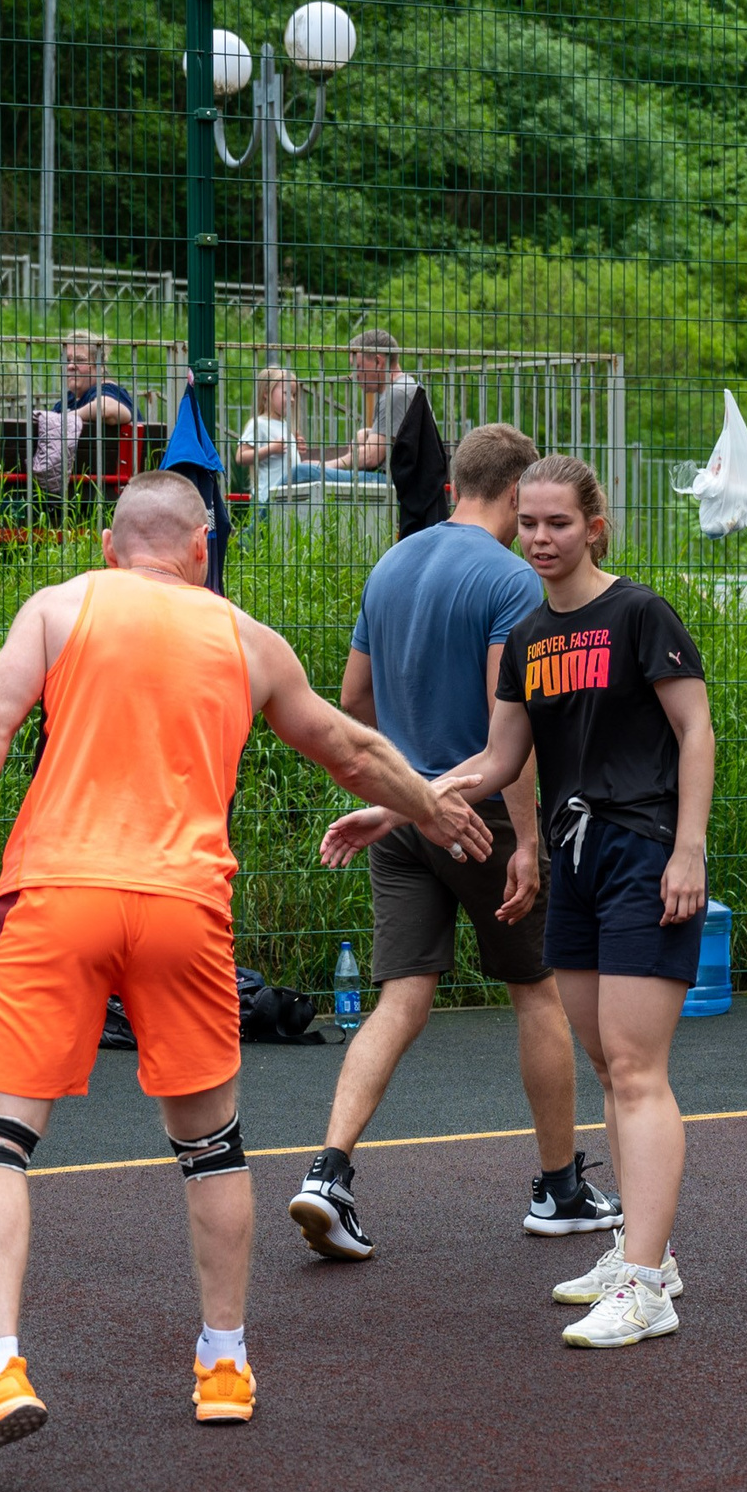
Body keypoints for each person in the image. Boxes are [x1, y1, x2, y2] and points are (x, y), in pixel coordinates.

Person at [0, 471, 487, 1479]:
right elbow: (344, 746)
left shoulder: (60, 606)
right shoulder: (247, 638)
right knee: (210, 1144)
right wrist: (430, 803)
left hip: (58, 896)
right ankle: (223, 1363)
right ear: (201, 550)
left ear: (111, 546)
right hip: (183, 906)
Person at [329, 455, 713, 1348]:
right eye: (531, 523)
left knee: (636, 1062)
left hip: (642, 851)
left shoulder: (640, 613)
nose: (540, 539)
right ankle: (638, 1250)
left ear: (595, 525)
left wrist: (686, 848)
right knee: (608, 1064)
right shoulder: (531, 632)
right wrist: (395, 806)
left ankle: (650, 1283)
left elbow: (695, 730)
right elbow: (497, 763)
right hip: (573, 859)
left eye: (559, 524)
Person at [289, 424, 611, 1262]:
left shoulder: (392, 563)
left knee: (400, 999)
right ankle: (558, 1188)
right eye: (532, 512)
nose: (538, 530)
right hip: (482, 813)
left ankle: (329, 1172)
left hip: (403, 812)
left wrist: (403, 789)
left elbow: (354, 700)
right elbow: (516, 725)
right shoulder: (512, 581)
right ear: (516, 496)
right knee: (537, 990)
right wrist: (527, 839)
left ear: (452, 485)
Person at [314, 328, 420, 475]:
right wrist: (370, 433)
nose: (354, 375)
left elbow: (372, 457)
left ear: (378, 362)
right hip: (400, 481)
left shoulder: (396, 393)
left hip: (396, 485)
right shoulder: (405, 386)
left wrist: (324, 465)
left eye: (358, 367)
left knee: (304, 472)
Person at [236, 366, 303, 502]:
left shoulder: (286, 425)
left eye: (294, 395)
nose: (292, 400)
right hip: (266, 498)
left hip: (286, 498)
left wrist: (297, 448)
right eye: (287, 393)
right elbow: (240, 456)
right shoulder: (259, 424)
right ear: (266, 393)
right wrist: (270, 449)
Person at [57, 329, 135, 425]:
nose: (70, 366)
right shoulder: (68, 400)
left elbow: (106, 408)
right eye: (67, 360)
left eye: (80, 360)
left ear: (100, 366)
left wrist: (66, 418)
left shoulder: (108, 389)